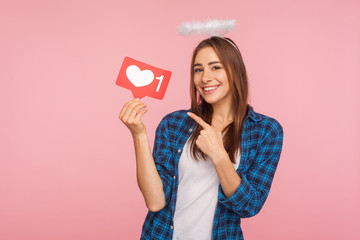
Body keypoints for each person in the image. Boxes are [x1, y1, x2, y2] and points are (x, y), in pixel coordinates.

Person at [119, 36, 284, 240]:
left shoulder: (266, 131)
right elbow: (155, 201)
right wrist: (138, 135)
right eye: (198, 69)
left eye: (215, 67)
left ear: (236, 70)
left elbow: (249, 206)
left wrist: (218, 154)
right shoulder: (174, 123)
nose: (205, 78)